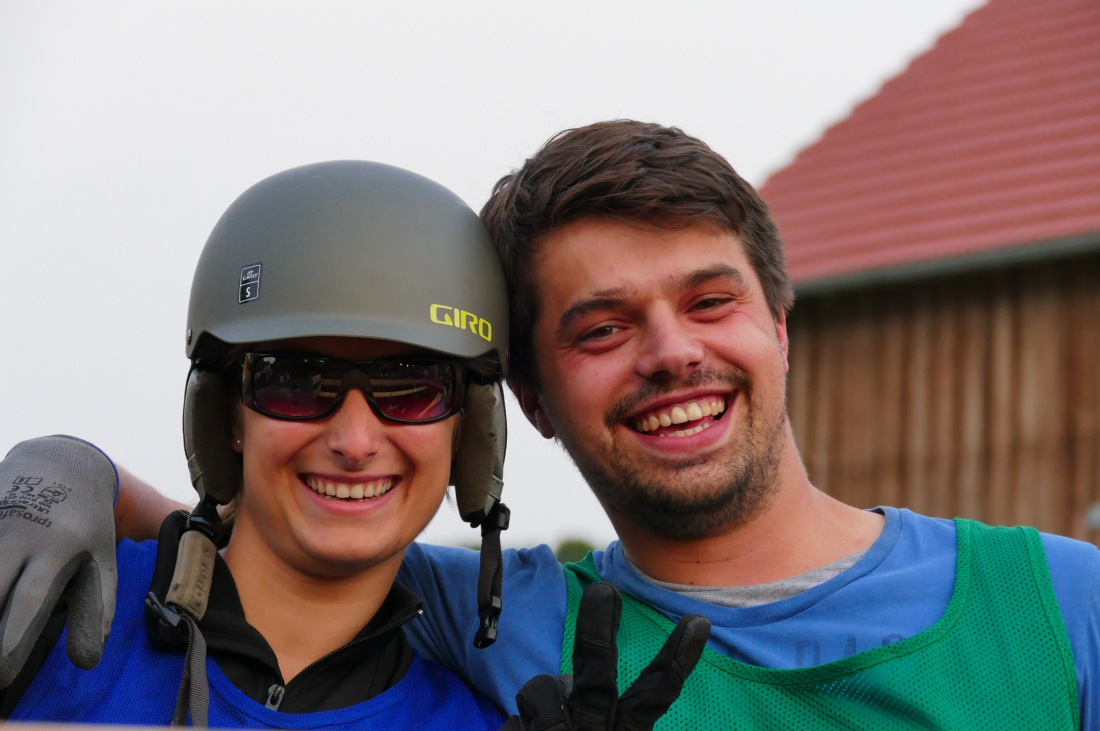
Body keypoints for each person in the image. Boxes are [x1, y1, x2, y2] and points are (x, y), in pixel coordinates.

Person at [2, 120, 1097, 728]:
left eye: (708, 300)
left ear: (777, 319)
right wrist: (68, 471)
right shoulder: (506, 627)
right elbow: (266, 546)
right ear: (524, 401)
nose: (671, 349)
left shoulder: (1060, 608)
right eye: (601, 326)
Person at [0, 158, 706, 729]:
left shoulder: (482, 720)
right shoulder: (42, 610)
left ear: (471, 432)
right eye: (296, 380)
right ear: (228, 416)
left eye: (413, 387)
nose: (355, 439)